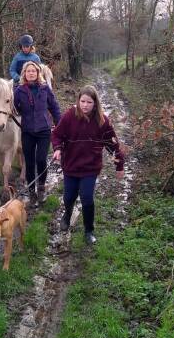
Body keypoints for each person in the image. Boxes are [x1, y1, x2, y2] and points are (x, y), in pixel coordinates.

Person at [51, 85, 125, 245]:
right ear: (78, 101)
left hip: (90, 168)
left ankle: (89, 230)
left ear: (95, 103)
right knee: (69, 196)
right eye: (82, 101)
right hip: (70, 165)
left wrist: (120, 165)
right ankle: (67, 214)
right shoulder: (69, 116)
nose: (85, 105)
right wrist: (57, 149)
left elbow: (113, 145)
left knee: (87, 198)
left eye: (89, 102)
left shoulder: (102, 121)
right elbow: (57, 134)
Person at [14, 61, 61, 203]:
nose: (31, 73)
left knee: (41, 159)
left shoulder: (45, 89)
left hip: (44, 130)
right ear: (24, 74)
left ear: (38, 73)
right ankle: (31, 191)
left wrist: (59, 123)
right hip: (27, 131)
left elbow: (54, 107)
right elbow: (15, 108)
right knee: (29, 162)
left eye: (33, 71)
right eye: (28, 71)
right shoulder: (19, 91)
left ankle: (41, 187)